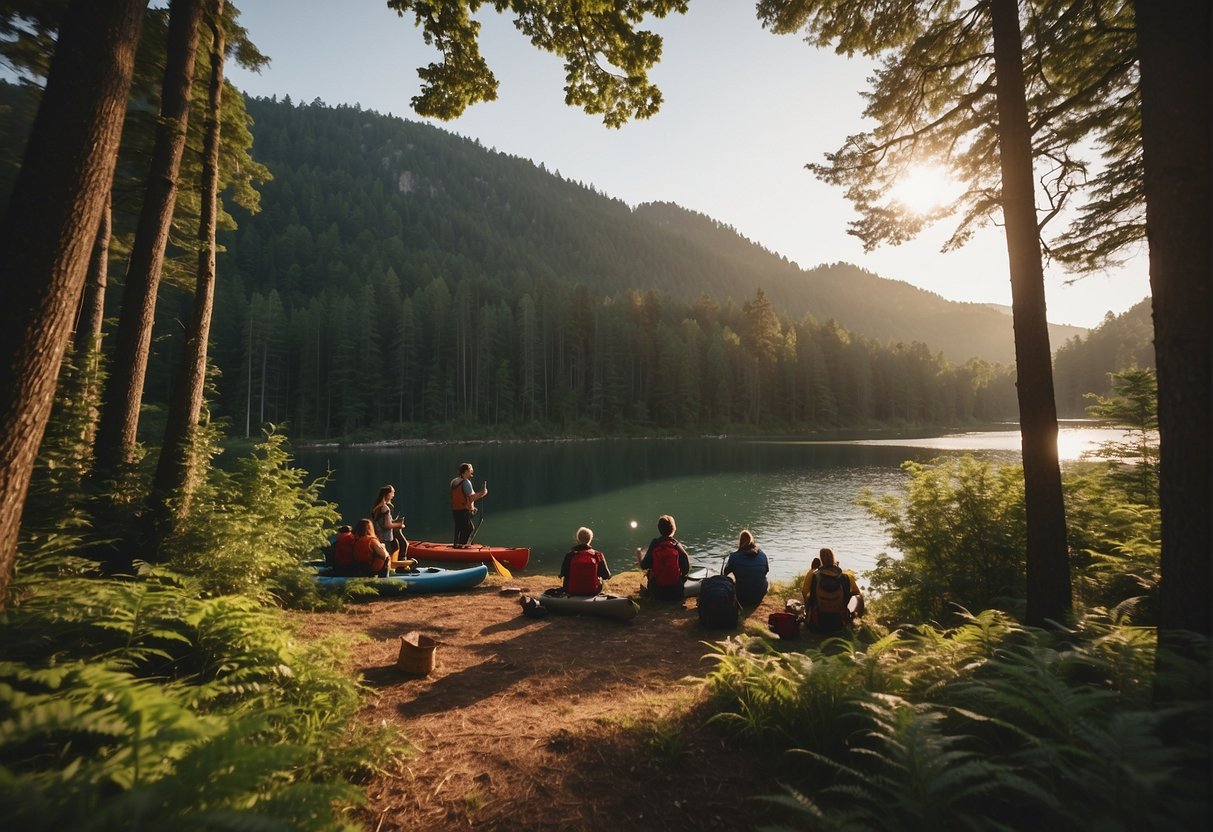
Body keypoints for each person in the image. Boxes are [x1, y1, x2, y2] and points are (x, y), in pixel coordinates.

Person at [805, 547, 859, 632]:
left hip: (816, 624)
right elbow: (857, 593)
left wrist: (808, 607)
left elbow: (804, 593)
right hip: (840, 624)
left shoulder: (813, 575)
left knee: (808, 597)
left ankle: (809, 616)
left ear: (821, 559)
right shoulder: (846, 577)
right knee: (858, 598)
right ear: (833, 558)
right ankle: (851, 618)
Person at [637, 514, 690, 601]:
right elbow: (686, 569)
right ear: (673, 528)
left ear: (659, 529)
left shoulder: (655, 543)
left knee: (649, 573)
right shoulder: (676, 544)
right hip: (676, 592)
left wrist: (639, 555)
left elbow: (644, 565)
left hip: (657, 592)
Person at [559, 526, 612, 596]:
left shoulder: (570, 555)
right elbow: (606, 576)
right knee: (601, 581)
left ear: (578, 539)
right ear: (590, 539)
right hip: (593, 591)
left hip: (571, 591)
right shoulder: (598, 555)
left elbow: (562, 573)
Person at [723, 529, 770, 606]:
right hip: (759, 595)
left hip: (741, 596)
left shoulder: (734, 556)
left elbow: (725, 573)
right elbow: (766, 571)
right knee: (764, 579)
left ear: (740, 542)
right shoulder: (762, 555)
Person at [449, 462, 488, 547]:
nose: (472, 471)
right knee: (468, 529)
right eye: (470, 469)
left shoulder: (454, 481)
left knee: (460, 529)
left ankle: (458, 545)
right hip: (464, 510)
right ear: (466, 471)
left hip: (455, 510)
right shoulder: (466, 482)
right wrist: (483, 493)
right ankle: (462, 548)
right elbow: (471, 498)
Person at [371, 485, 407, 560]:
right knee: (388, 556)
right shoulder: (385, 508)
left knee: (396, 547)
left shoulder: (378, 506)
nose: (393, 495)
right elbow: (387, 525)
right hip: (385, 537)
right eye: (392, 493)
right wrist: (400, 524)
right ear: (386, 494)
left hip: (381, 536)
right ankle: (396, 566)